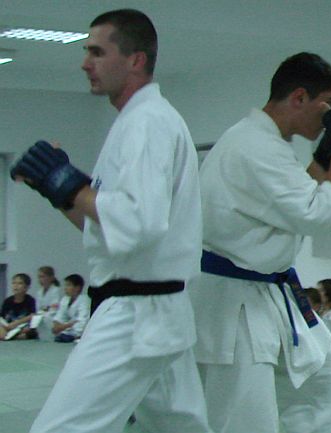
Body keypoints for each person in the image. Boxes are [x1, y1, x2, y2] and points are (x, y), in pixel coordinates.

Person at [11, 9, 212, 432]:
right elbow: (106, 229)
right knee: (180, 426)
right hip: (154, 310)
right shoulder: (135, 122)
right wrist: (58, 191)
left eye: (97, 53)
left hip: (136, 314)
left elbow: (139, 224)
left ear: (135, 60)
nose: (85, 63)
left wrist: (69, 182)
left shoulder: (148, 124)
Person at [189, 52, 331, 433]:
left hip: (269, 294)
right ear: (299, 97)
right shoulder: (255, 147)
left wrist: (326, 153)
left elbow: (301, 199)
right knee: (244, 419)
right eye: (328, 103)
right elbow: (324, 219)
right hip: (234, 303)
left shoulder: (264, 142)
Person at [50, 274, 91, 343]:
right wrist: (60, 325)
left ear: (77, 288)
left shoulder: (84, 300)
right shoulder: (65, 299)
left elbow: (82, 321)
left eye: (68, 285)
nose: (65, 288)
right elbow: (59, 317)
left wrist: (63, 327)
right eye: (65, 285)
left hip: (79, 335)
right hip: (64, 332)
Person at [0, 273, 38, 340]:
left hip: (23, 328)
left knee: (29, 332)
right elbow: (2, 318)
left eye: (20, 283)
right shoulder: (7, 301)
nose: (16, 286)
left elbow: (33, 315)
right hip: (8, 328)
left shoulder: (30, 300)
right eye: (14, 283)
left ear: (26, 287)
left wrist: (16, 323)